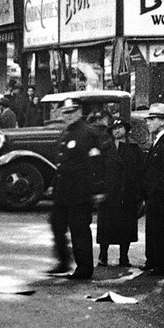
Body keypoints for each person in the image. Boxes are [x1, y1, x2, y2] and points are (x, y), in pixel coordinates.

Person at [47, 99, 105, 280]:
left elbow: (96, 163)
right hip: (63, 191)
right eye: (65, 112)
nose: (69, 115)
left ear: (80, 112)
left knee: (79, 230)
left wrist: (97, 190)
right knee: (57, 225)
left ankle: (84, 268)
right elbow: (61, 163)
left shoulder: (87, 133)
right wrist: (53, 185)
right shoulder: (67, 132)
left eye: (72, 111)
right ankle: (63, 262)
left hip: (80, 191)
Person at [96, 118, 143, 268]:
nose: (117, 131)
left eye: (120, 127)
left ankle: (124, 257)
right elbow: (98, 172)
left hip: (127, 193)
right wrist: (99, 190)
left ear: (126, 130)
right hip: (109, 192)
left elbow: (139, 170)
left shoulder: (134, 148)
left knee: (126, 226)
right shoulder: (105, 148)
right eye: (114, 128)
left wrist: (139, 193)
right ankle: (103, 256)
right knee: (106, 226)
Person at [141, 103, 164, 278]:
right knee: (153, 228)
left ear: (162, 121)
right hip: (153, 193)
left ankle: (162, 265)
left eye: (152, 119)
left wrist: (158, 190)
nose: (148, 123)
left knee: (160, 229)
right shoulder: (159, 140)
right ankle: (153, 260)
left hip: (160, 194)